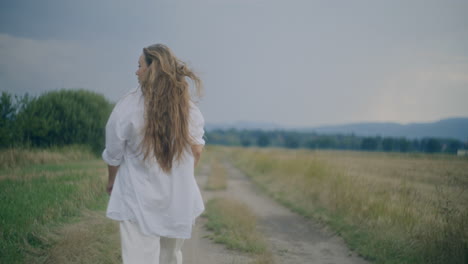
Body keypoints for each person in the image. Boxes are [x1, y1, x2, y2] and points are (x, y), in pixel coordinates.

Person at [102, 43, 205, 264]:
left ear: (153, 69)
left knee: (139, 259)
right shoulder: (187, 107)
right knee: (169, 257)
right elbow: (197, 149)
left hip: (137, 197)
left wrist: (111, 181)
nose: (136, 71)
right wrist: (184, 176)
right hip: (177, 196)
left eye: (140, 66)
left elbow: (113, 153)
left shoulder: (127, 106)